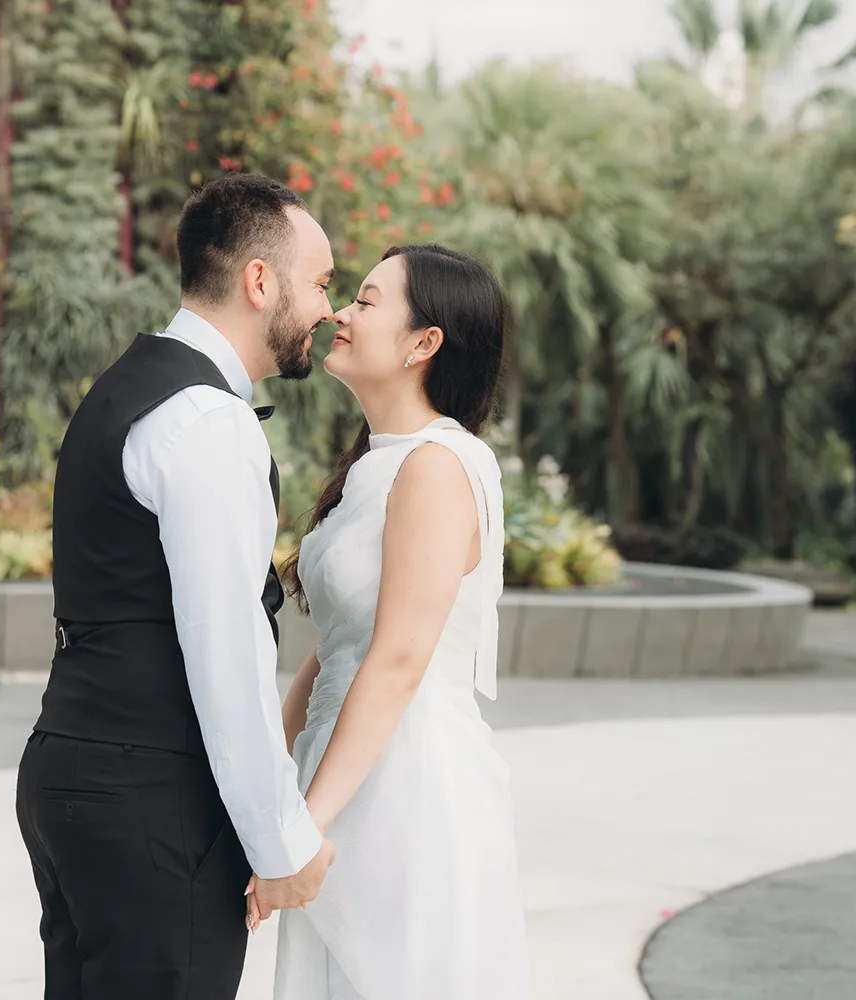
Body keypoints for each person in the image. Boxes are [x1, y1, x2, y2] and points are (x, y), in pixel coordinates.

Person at [15, 173, 338, 1000]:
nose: (328, 310)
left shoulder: (128, 389)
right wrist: (281, 842)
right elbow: (224, 647)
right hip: (152, 798)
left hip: (74, 771)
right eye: (322, 283)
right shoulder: (206, 421)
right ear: (259, 282)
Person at [253, 245, 532, 1000]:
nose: (341, 312)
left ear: (424, 343)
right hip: (345, 768)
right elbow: (340, 646)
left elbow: (401, 657)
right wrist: (270, 781)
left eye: (368, 302)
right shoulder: (376, 464)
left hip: (409, 781)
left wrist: (304, 825)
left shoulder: (439, 464)